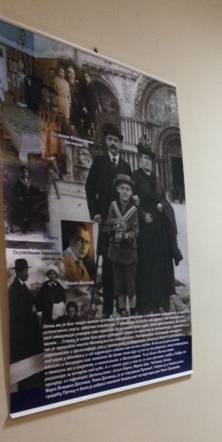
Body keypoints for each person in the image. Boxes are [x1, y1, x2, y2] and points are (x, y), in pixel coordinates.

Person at [85, 123, 132, 317]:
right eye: (110, 140)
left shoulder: (126, 166)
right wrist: (95, 212)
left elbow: (130, 193)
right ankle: (106, 309)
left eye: (116, 140)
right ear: (106, 142)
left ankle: (120, 306)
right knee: (107, 260)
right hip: (105, 221)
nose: (113, 143)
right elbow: (90, 188)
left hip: (123, 222)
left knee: (121, 262)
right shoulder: (99, 162)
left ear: (120, 144)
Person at [132, 139, 176, 313]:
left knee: (159, 263)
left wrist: (162, 206)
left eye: (149, 159)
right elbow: (132, 201)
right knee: (146, 263)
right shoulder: (136, 177)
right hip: (144, 228)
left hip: (158, 227)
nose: (147, 161)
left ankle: (159, 301)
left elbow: (164, 198)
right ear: (140, 160)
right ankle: (146, 303)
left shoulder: (157, 179)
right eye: (144, 158)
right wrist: (142, 214)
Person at [104, 175, 138, 316]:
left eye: (127, 189)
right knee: (119, 285)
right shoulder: (113, 206)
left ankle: (133, 312)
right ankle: (123, 311)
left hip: (129, 252)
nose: (125, 191)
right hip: (116, 252)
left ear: (131, 192)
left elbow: (135, 231)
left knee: (131, 285)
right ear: (118, 189)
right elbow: (108, 222)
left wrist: (125, 235)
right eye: (122, 188)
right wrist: (116, 225)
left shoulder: (133, 210)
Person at [8, 258, 43, 366]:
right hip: (22, 331)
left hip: (28, 328)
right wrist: (30, 310)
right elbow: (14, 310)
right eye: (25, 272)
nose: (28, 274)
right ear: (18, 273)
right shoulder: (13, 289)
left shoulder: (22, 285)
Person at [14, 166, 34, 234]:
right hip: (24, 199)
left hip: (30, 199)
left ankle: (28, 226)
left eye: (26, 172)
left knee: (29, 213)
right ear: (22, 173)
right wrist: (19, 196)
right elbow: (16, 189)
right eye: (24, 172)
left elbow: (32, 189)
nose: (25, 173)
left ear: (28, 173)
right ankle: (24, 228)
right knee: (24, 213)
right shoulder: (20, 180)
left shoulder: (29, 180)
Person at [67, 66, 83, 135]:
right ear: (67, 74)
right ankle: (80, 133)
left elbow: (80, 96)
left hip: (79, 106)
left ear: (75, 75)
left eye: (73, 73)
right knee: (75, 117)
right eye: (70, 73)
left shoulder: (77, 84)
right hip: (71, 106)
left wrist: (82, 106)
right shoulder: (66, 83)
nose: (71, 75)